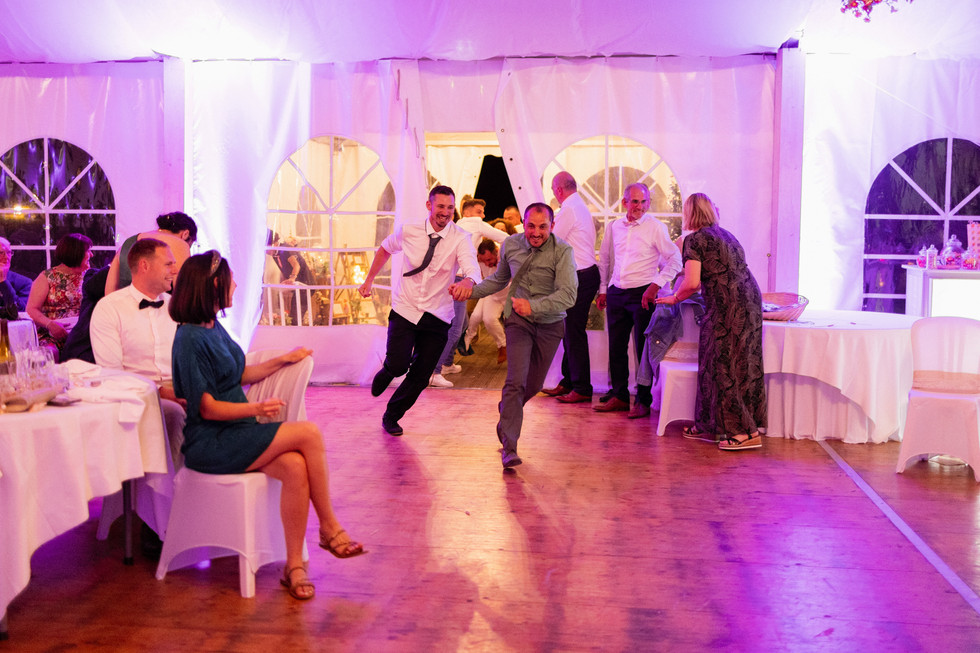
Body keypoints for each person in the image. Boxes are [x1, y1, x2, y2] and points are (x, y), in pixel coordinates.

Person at [170, 250, 364, 601]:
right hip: (210, 442)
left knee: (294, 465)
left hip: (234, 434)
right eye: (230, 278)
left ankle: (294, 567)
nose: (237, 283)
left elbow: (239, 373)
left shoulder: (213, 327)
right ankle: (329, 527)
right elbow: (207, 408)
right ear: (213, 284)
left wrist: (283, 359)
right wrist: (256, 408)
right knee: (308, 432)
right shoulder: (189, 339)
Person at [452, 203, 577, 468]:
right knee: (515, 382)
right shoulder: (511, 245)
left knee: (532, 385)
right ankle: (510, 446)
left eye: (543, 227)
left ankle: (507, 410)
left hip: (550, 325)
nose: (536, 232)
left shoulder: (563, 251)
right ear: (523, 222)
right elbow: (499, 279)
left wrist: (535, 306)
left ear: (552, 226)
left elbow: (569, 295)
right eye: (531, 225)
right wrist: (469, 290)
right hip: (518, 321)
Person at [358, 185, 480, 436]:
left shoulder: (460, 238)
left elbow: (471, 266)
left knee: (422, 375)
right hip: (406, 308)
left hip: (437, 315)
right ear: (429, 206)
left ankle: (392, 415)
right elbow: (385, 248)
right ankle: (390, 368)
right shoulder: (410, 231)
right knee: (400, 364)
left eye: (450, 208)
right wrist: (368, 280)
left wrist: (468, 281)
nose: (445, 213)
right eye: (441, 207)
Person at [655, 193, 766, 451]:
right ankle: (708, 424)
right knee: (718, 361)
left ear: (689, 213)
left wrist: (674, 297)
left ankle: (744, 433)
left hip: (728, 305)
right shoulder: (727, 234)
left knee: (725, 366)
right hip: (748, 300)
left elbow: (692, 283)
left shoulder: (694, 239)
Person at [595, 183, 681, 418]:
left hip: (643, 293)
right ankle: (619, 396)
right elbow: (604, 259)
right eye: (634, 201)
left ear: (648, 203)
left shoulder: (656, 228)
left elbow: (676, 260)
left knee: (643, 350)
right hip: (616, 291)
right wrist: (603, 289)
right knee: (616, 347)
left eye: (643, 202)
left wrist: (655, 285)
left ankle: (643, 400)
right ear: (624, 203)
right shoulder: (614, 226)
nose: (639, 207)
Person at [430, 197, 507, 387]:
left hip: (448, 277)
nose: (483, 215)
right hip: (460, 278)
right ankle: (435, 371)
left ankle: (447, 363)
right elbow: (504, 237)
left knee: (463, 322)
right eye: (480, 211)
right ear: (467, 212)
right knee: (456, 327)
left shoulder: (455, 225)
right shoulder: (476, 224)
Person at [542, 172, 600, 404]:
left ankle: (582, 388)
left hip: (580, 277)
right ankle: (569, 381)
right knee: (570, 331)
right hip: (585, 275)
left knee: (574, 333)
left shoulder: (568, 210)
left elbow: (552, 241)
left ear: (558, 191)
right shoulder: (579, 206)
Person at [26, 232, 92, 360]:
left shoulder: (90, 276)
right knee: (48, 354)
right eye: (88, 251)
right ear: (76, 253)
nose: (91, 255)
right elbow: (31, 309)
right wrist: (50, 324)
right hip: (53, 334)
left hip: (83, 334)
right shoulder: (47, 277)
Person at [105, 211, 197, 294]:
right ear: (185, 234)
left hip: (124, 310)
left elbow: (109, 292)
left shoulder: (127, 243)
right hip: (161, 311)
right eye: (190, 244)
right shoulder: (179, 244)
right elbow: (183, 292)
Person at [462, 239, 508, 364]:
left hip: (511, 295)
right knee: (487, 319)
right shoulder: (480, 261)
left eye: (489, 260)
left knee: (516, 325)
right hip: (492, 294)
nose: (487, 264)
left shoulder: (506, 257)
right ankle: (502, 346)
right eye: (484, 261)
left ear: (496, 252)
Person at [0, 236, 32, 319]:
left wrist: (4, 282)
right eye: (1, 253)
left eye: (9, 253)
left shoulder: (24, 283)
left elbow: (21, 311)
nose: (7, 257)